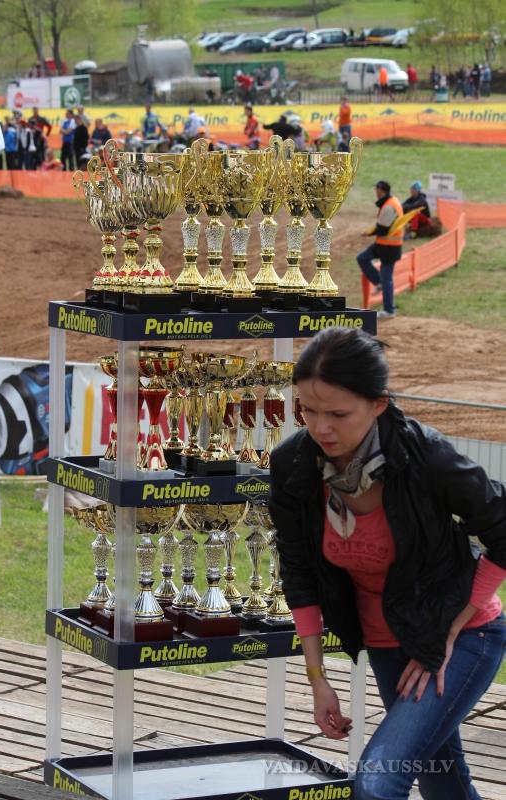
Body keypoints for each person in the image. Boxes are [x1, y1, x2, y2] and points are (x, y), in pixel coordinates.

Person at [268, 326, 506, 800]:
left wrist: (448, 630)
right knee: (443, 784)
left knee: (378, 782)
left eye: (338, 414)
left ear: (378, 404)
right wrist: (318, 680)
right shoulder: (293, 463)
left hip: (465, 635)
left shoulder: (426, 455)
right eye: (308, 410)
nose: (320, 428)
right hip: (386, 644)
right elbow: (298, 572)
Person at [357, 180, 403, 320]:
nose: (375, 192)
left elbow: (382, 230)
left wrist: (370, 232)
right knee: (362, 258)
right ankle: (379, 282)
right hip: (384, 245)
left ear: (381, 190)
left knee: (387, 279)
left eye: (376, 190)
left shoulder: (389, 206)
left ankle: (389, 310)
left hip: (389, 247)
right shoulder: (391, 201)